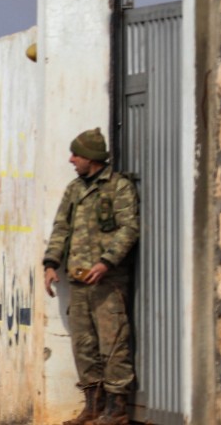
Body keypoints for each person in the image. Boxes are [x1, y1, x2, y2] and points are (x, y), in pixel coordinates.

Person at [43, 128, 140, 425]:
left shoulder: (118, 187)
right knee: (83, 346)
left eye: (76, 154)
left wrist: (106, 263)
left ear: (91, 158)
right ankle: (93, 406)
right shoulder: (75, 189)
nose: (72, 160)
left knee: (113, 344)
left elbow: (129, 229)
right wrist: (50, 263)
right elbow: (61, 227)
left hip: (107, 282)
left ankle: (117, 408)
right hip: (78, 280)